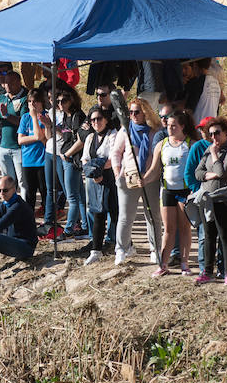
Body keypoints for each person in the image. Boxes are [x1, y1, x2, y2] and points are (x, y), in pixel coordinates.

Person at [111, 97, 163, 265]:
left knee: (153, 215)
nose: (133, 115)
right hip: (129, 177)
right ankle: (121, 249)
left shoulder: (154, 131)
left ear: (145, 113)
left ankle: (155, 249)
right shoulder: (125, 130)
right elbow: (116, 153)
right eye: (130, 112)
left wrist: (150, 175)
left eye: (136, 112)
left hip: (151, 178)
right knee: (126, 216)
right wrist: (118, 173)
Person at [143, 111, 194, 276]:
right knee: (169, 228)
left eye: (174, 126)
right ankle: (163, 264)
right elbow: (154, 170)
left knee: (185, 227)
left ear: (182, 126)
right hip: (167, 190)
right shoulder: (162, 144)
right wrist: (143, 180)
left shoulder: (190, 144)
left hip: (185, 191)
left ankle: (184, 263)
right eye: (168, 125)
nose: (170, 128)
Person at [194, 116, 227, 285]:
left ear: (226, 133)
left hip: (224, 199)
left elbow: (224, 173)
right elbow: (198, 173)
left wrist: (214, 156)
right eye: (211, 134)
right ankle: (207, 271)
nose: (213, 137)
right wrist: (211, 174)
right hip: (208, 199)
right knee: (208, 236)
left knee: (225, 236)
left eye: (217, 133)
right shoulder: (208, 149)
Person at [45, 85, 87, 241]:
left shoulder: (77, 116)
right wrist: (49, 124)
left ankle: (69, 230)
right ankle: (85, 227)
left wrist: (67, 154)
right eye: (58, 101)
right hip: (66, 157)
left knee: (72, 197)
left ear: (72, 100)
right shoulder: (66, 116)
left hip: (71, 159)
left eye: (64, 101)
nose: (60, 104)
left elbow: (81, 139)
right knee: (80, 196)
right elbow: (61, 134)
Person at [82, 107, 118, 265]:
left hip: (111, 179)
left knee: (115, 213)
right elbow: (84, 159)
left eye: (99, 119)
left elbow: (113, 158)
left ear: (106, 119)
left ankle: (124, 245)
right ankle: (96, 250)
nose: (96, 122)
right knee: (98, 213)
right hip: (95, 179)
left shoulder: (113, 135)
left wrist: (99, 170)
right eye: (93, 120)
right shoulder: (90, 137)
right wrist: (94, 173)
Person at [0, 65, 29, 197]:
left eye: (11, 82)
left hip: (18, 147)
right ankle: (10, 207)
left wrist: (6, 115)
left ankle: (23, 208)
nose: (7, 85)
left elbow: (23, 122)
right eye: (6, 82)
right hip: (4, 146)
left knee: (22, 181)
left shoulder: (24, 98)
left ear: (19, 82)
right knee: (7, 181)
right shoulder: (1, 98)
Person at [16, 88, 49, 214]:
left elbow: (44, 139)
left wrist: (35, 118)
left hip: (42, 161)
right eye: (29, 101)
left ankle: (47, 219)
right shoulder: (25, 117)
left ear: (41, 102)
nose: (32, 104)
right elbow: (20, 140)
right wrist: (36, 137)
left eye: (35, 101)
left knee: (44, 191)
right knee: (30, 193)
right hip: (28, 161)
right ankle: (29, 220)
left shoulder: (46, 116)